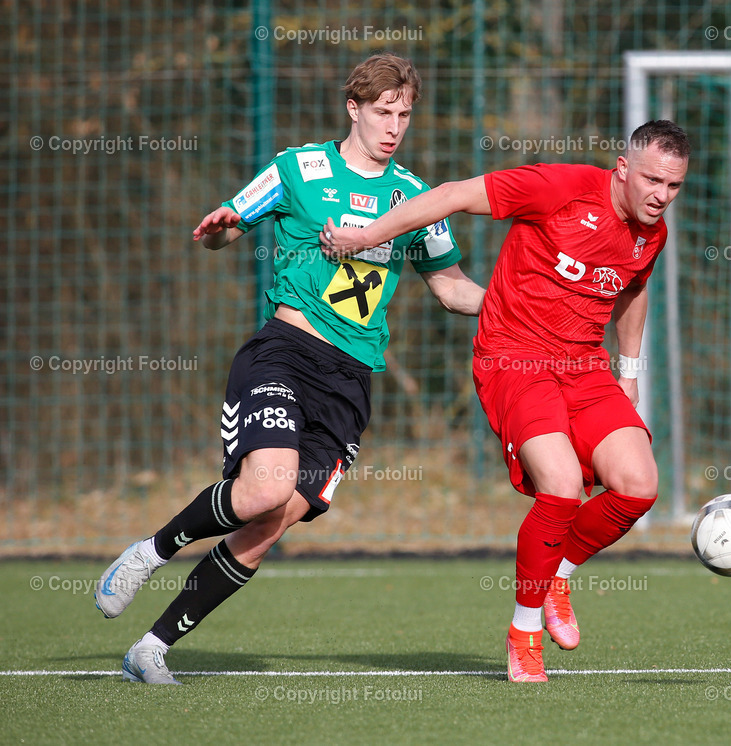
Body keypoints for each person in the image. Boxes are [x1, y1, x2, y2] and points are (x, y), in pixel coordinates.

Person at [94, 53, 485, 684]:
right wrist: (221, 228)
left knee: (271, 523)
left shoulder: (418, 199)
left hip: (350, 384)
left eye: (405, 115)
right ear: (353, 108)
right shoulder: (298, 169)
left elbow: (450, 287)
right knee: (264, 490)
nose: (394, 127)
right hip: (284, 353)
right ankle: (151, 551)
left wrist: (515, 304)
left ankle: (151, 649)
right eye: (383, 112)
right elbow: (226, 227)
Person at [321, 120, 690, 682]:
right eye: (652, 181)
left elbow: (634, 286)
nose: (661, 196)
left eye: (674, 186)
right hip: (514, 359)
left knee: (639, 485)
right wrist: (365, 236)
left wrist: (631, 374)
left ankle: (557, 576)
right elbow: (450, 197)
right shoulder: (557, 187)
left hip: (585, 365)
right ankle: (523, 635)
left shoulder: (651, 232)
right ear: (622, 168)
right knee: (562, 487)